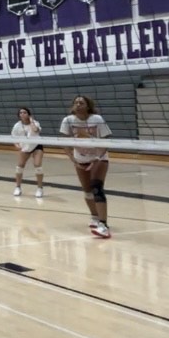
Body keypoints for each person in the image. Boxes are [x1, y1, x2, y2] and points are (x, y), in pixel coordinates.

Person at [59, 95, 112, 239]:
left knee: (97, 188)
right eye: (75, 102)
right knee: (87, 191)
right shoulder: (68, 121)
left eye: (81, 102)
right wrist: (73, 160)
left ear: (88, 106)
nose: (78, 104)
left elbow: (106, 140)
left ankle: (104, 225)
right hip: (80, 158)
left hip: (99, 158)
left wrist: (97, 158)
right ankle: (95, 217)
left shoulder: (97, 119)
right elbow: (65, 143)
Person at [11, 107, 44, 198]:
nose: (22, 114)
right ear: (19, 115)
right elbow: (13, 138)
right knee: (20, 166)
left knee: (38, 165)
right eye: (21, 113)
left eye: (25, 112)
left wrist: (32, 121)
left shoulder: (35, 123)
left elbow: (35, 130)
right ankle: (18, 187)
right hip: (25, 147)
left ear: (28, 114)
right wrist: (17, 146)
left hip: (36, 145)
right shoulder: (17, 126)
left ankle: (40, 188)